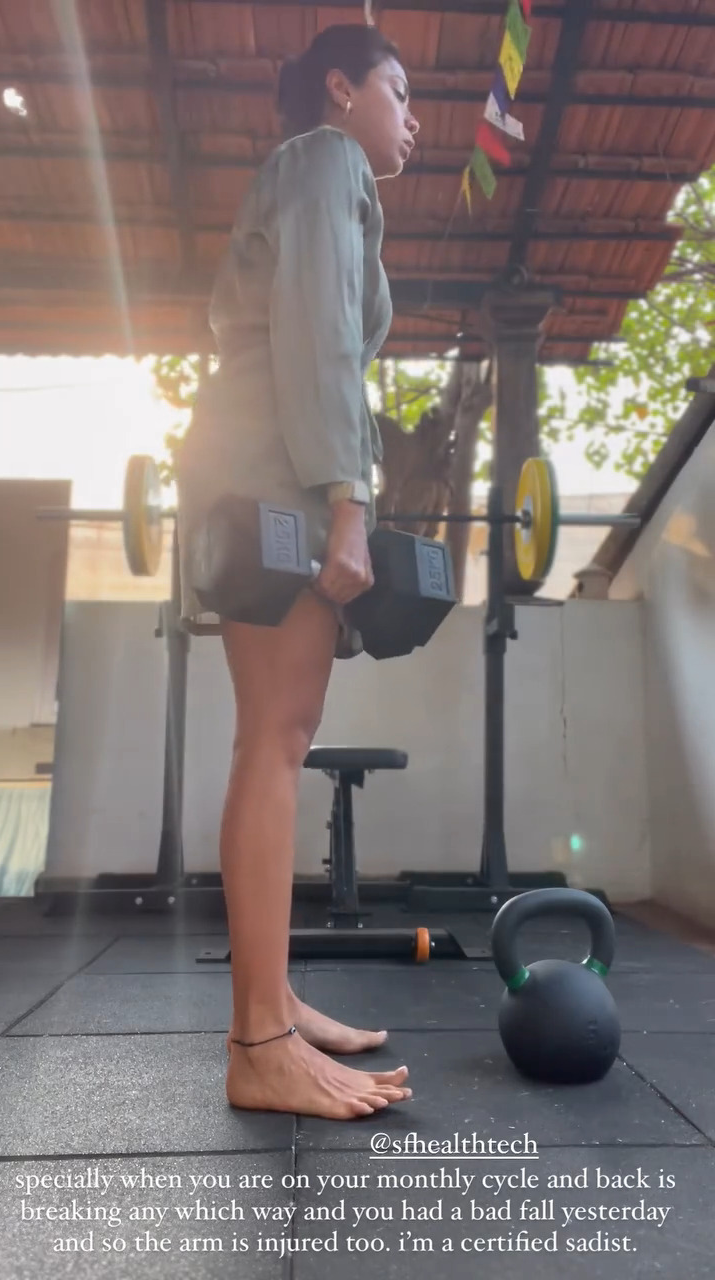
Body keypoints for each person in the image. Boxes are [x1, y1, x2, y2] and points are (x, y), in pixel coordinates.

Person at [175, 25, 420, 1120]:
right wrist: (348, 502)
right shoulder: (325, 158)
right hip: (276, 472)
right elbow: (321, 337)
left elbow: (317, 335)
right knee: (276, 739)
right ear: (340, 88)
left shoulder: (317, 176)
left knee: (275, 734)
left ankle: (269, 1001)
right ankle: (259, 1043)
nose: (413, 117)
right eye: (398, 90)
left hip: (265, 465)